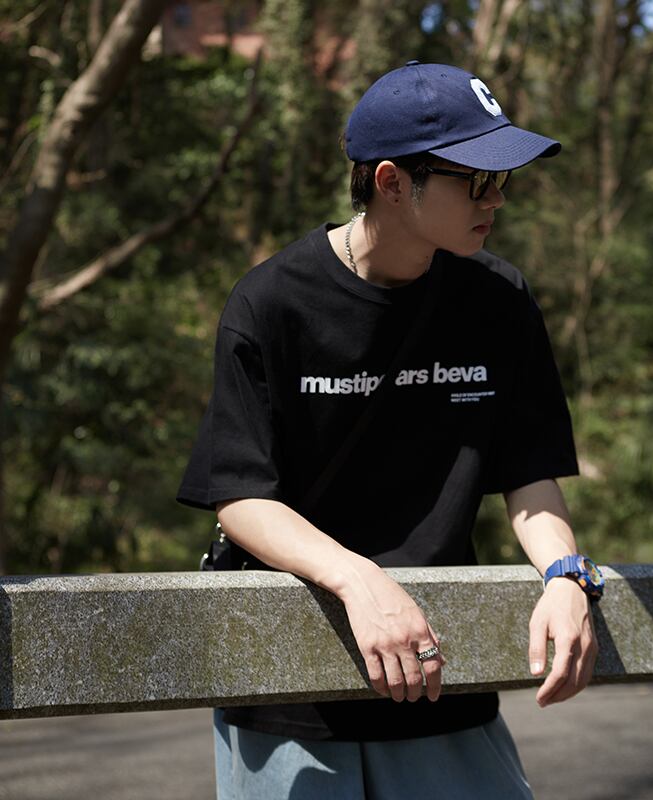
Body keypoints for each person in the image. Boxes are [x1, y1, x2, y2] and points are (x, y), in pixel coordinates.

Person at [177, 60, 602, 800]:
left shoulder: (499, 300)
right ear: (392, 182)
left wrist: (566, 576)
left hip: (443, 680)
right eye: (477, 180)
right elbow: (241, 497)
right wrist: (360, 580)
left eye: (503, 179)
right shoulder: (271, 303)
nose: (498, 198)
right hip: (288, 694)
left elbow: (528, 473)